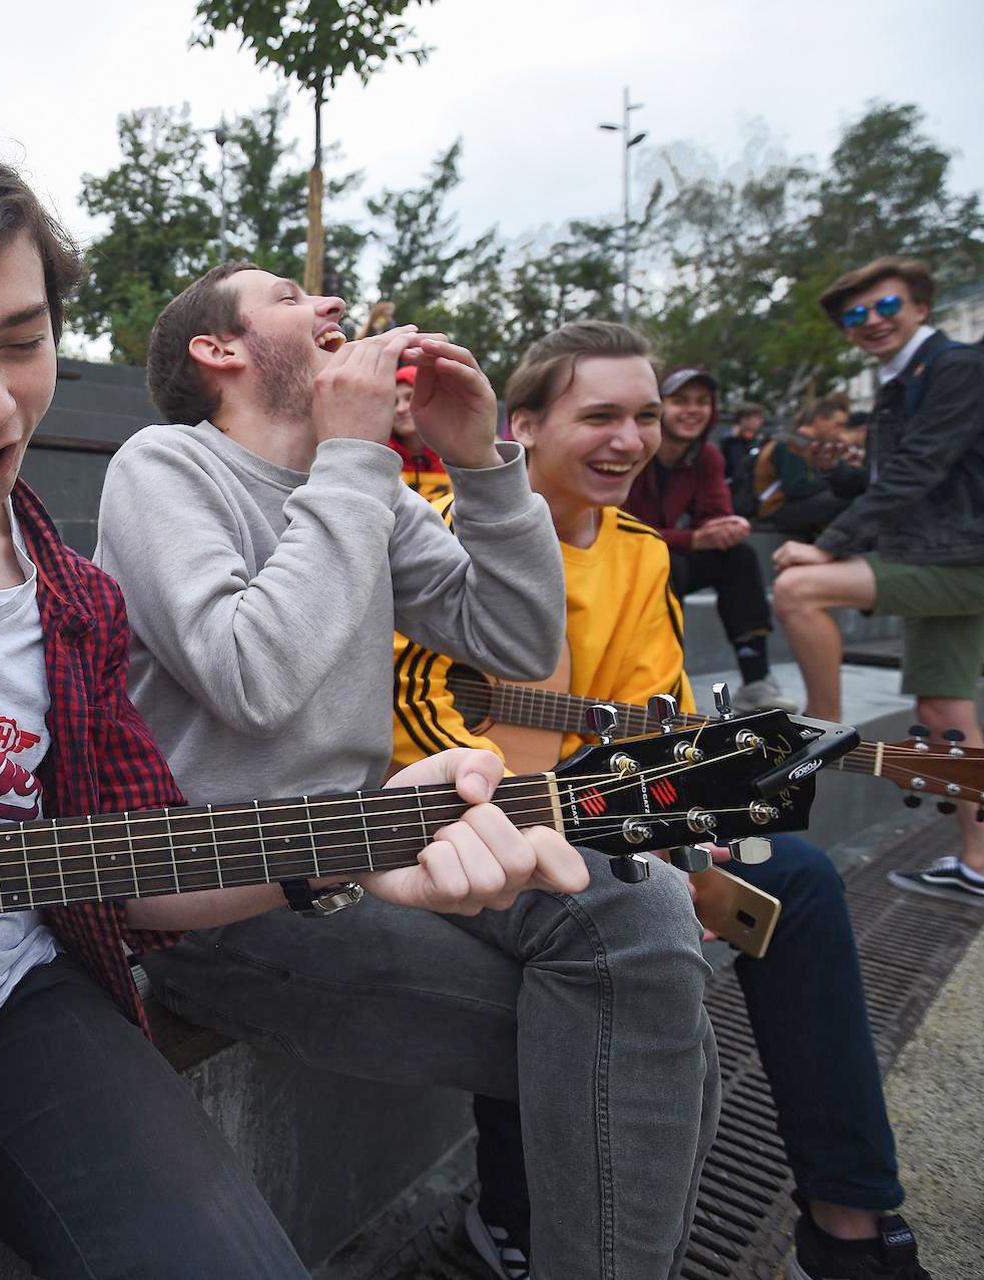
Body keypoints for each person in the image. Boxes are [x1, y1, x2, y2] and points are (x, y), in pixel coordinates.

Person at [0, 139, 572, 1280]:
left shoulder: (74, 603)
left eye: (22, 341)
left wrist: (357, 840)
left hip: (18, 1003)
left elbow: (140, 871)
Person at [96, 266, 720, 1280]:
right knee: (652, 1038)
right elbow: (252, 677)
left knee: (640, 907)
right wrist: (348, 455)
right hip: (231, 893)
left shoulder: (363, 489)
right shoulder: (165, 466)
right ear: (220, 350)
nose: (333, 309)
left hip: (384, 850)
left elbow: (514, 638)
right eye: (292, 298)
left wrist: (481, 462)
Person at [391, 320, 930, 1280]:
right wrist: (597, 821)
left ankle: (850, 1225)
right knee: (587, 915)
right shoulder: (427, 516)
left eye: (644, 416)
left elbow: (659, 725)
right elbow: (416, 707)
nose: (630, 440)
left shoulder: (639, 551)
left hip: (591, 816)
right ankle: (515, 1219)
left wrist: (685, 828)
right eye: (598, 414)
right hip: (443, 819)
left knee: (792, 880)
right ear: (518, 424)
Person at [773, 256, 984, 905]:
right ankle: (978, 865)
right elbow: (904, 477)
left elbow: (917, 472)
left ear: (921, 306)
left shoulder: (955, 368)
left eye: (886, 307)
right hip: (940, 551)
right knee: (945, 713)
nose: (870, 323)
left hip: (959, 558)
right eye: (856, 316)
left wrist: (829, 545)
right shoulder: (899, 383)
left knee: (797, 589)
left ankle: (825, 728)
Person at [625, 366, 796, 713]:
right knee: (669, 566)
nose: (693, 410)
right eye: (680, 401)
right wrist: (693, 538)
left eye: (703, 401)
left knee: (740, 557)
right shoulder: (632, 448)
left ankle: (756, 680)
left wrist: (728, 527)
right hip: (624, 557)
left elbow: (714, 514)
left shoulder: (707, 455)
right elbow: (620, 527)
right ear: (658, 406)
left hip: (668, 549)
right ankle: (662, 684)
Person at [755, 395, 860, 539]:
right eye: (838, 425)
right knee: (846, 498)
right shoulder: (793, 442)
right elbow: (795, 487)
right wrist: (833, 479)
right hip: (776, 508)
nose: (841, 432)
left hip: (791, 505)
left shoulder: (809, 442)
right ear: (819, 420)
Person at [389, 363, 452, 501]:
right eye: (393, 402)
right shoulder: (383, 460)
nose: (400, 409)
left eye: (409, 397)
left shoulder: (456, 456)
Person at [720, 400, 769, 518]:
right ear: (743, 419)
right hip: (732, 489)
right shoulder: (729, 442)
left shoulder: (762, 441)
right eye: (756, 418)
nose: (760, 421)